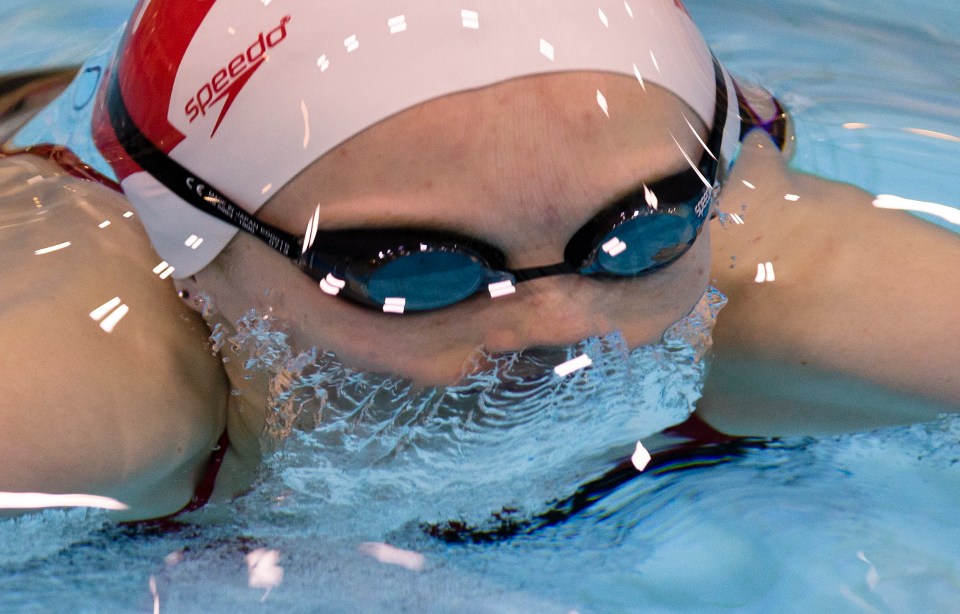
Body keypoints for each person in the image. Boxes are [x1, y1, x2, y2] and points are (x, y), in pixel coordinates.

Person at [0, 0, 957, 522]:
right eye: (419, 274)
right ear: (194, 250)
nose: (564, 332)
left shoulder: (776, 297)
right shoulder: (108, 381)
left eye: (641, 236)